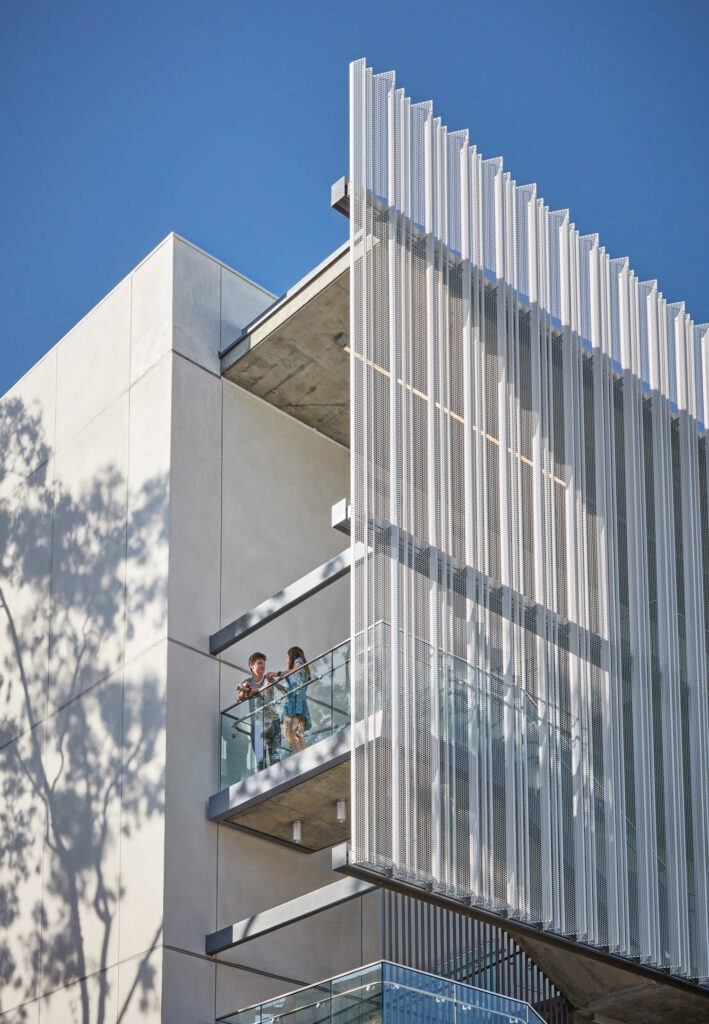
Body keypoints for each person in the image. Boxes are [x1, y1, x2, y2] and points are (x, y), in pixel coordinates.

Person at [236, 651, 283, 770]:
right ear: (252, 666)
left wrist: (246, 689)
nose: (262, 665)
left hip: (272, 722)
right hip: (257, 724)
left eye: (263, 663)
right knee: (260, 761)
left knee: (275, 759)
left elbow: (263, 692)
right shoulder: (247, 681)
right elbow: (239, 698)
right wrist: (243, 690)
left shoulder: (268, 679)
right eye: (259, 663)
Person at [274, 646, 312, 754]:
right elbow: (288, 690)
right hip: (299, 706)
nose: (287, 660)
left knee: (288, 734)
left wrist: (277, 674)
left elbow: (296, 670)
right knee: (299, 736)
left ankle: (300, 759)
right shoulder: (302, 670)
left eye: (287, 657)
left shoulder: (298, 661)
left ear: (292, 655)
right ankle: (306, 759)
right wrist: (275, 683)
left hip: (292, 707)